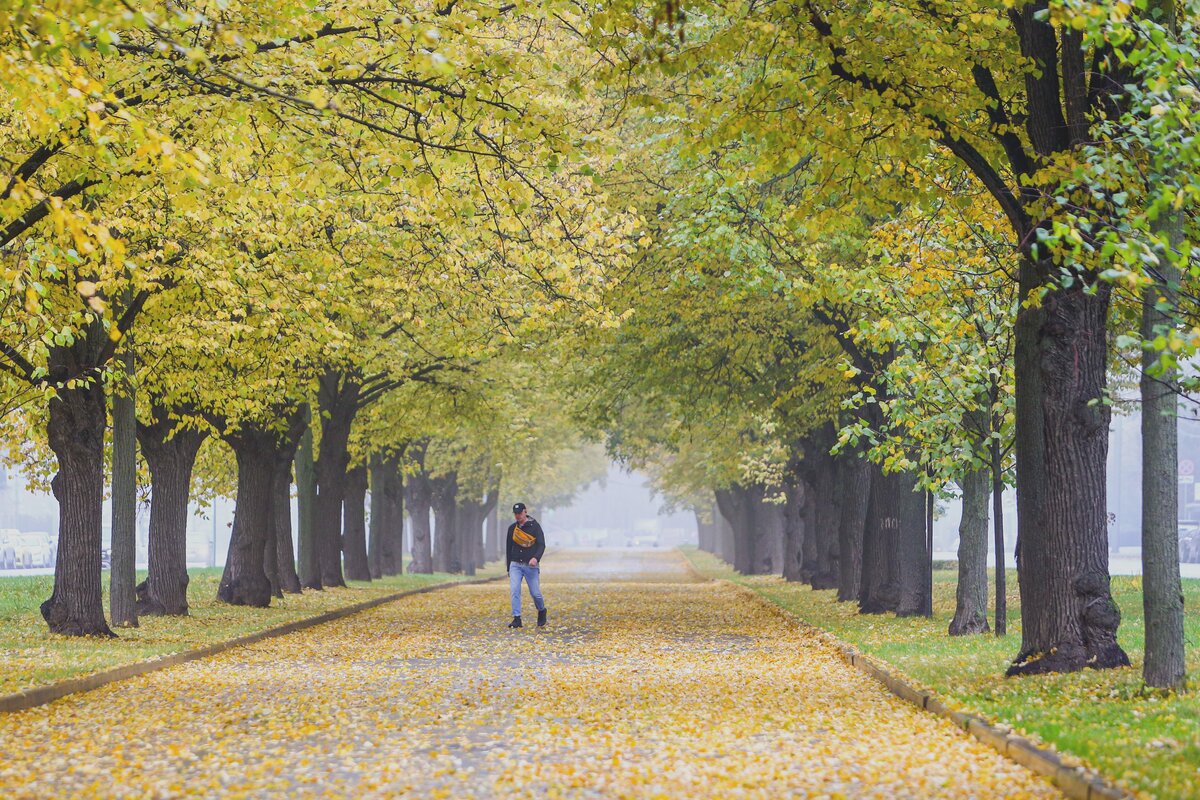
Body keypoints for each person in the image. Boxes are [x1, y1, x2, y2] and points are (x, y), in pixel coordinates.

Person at [506, 502, 546, 628]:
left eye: (519, 513)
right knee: (515, 590)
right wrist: (508, 567)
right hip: (515, 565)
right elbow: (508, 548)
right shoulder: (512, 529)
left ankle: (541, 610)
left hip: (531, 566)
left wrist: (536, 558)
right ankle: (517, 618)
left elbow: (541, 545)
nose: (517, 516)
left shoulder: (535, 526)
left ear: (525, 511)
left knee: (535, 593)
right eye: (515, 514)